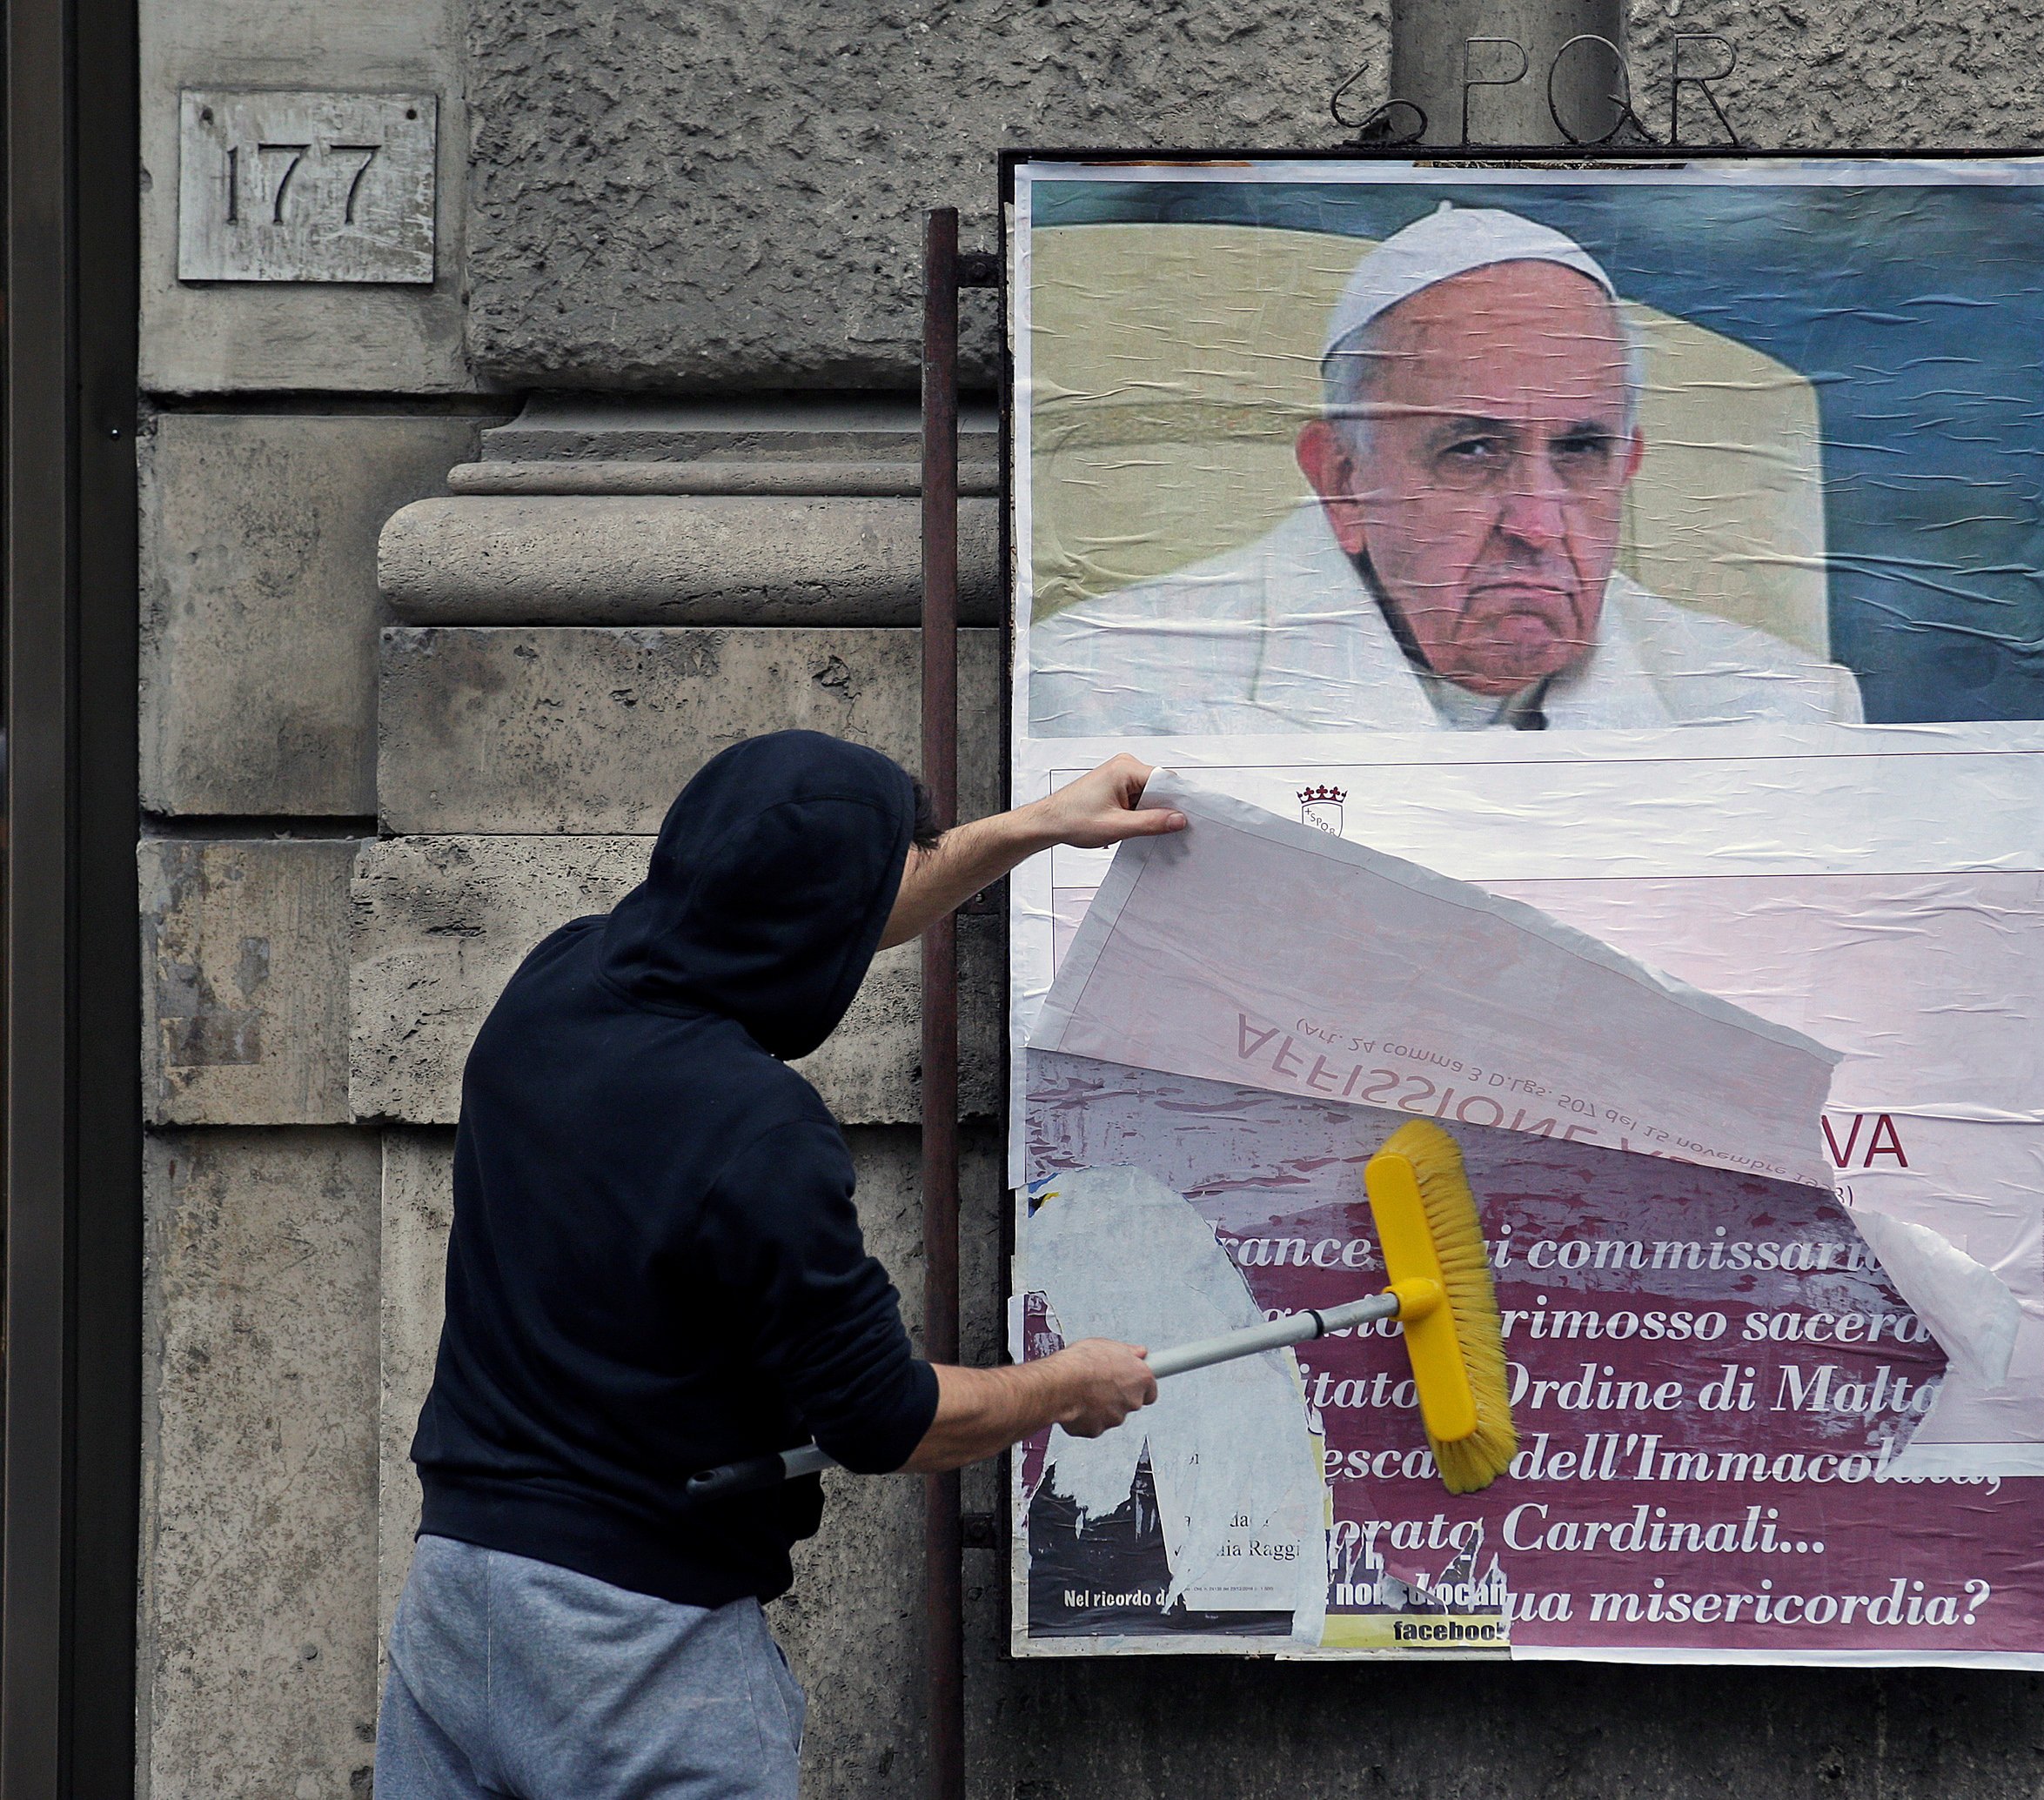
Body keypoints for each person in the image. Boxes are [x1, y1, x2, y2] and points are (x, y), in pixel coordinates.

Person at [378, 730, 1179, 1799]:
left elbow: (818, 914)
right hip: (637, 1646)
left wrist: (1036, 824)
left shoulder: (556, 980)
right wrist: (1063, 1386)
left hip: (458, 1599)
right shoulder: (758, 1135)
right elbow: (887, 1418)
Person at [1033, 204, 1862, 733]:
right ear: (1343, 482)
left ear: (1628, 467)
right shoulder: (1104, 694)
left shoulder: (1776, 717)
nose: (1537, 525)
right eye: (1473, 451)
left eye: (1580, 451)